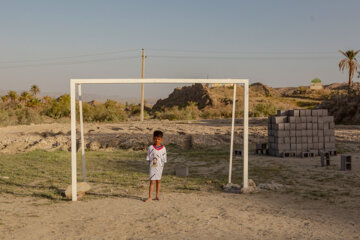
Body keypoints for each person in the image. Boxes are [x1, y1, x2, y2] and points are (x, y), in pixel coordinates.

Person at [145, 130, 167, 202]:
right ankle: (150, 197)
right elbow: (148, 158)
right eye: (155, 139)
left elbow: (164, 159)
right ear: (153, 138)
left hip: (160, 167)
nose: (157, 140)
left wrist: (161, 165)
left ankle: (157, 196)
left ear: (161, 139)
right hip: (153, 167)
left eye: (158, 139)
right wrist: (151, 164)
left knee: (158, 181)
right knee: (152, 181)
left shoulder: (163, 148)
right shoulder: (150, 147)